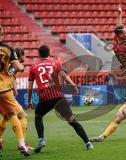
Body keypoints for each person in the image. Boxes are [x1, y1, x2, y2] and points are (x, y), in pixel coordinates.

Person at [27, 45, 93, 153]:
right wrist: (73, 85)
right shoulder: (56, 63)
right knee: (72, 121)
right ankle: (88, 143)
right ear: (49, 53)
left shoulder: (33, 67)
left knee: (38, 116)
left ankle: (41, 140)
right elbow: (64, 75)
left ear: (39, 54)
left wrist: (29, 101)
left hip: (45, 97)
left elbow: (30, 87)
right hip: (58, 96)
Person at [90, 68, 126, 142]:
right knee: (118, 116)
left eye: (124, 69)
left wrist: (115, 77)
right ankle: (102, 137)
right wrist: (113, 74)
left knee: (125, 110)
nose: (123, 71)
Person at [0, 25, 30, 156]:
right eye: (24, 56)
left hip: (6, 90)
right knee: (18, 115)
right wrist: (21, 67)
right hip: (4, 90)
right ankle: (22, 144)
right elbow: (12, 73)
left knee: (6, 117)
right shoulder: (9, 54)